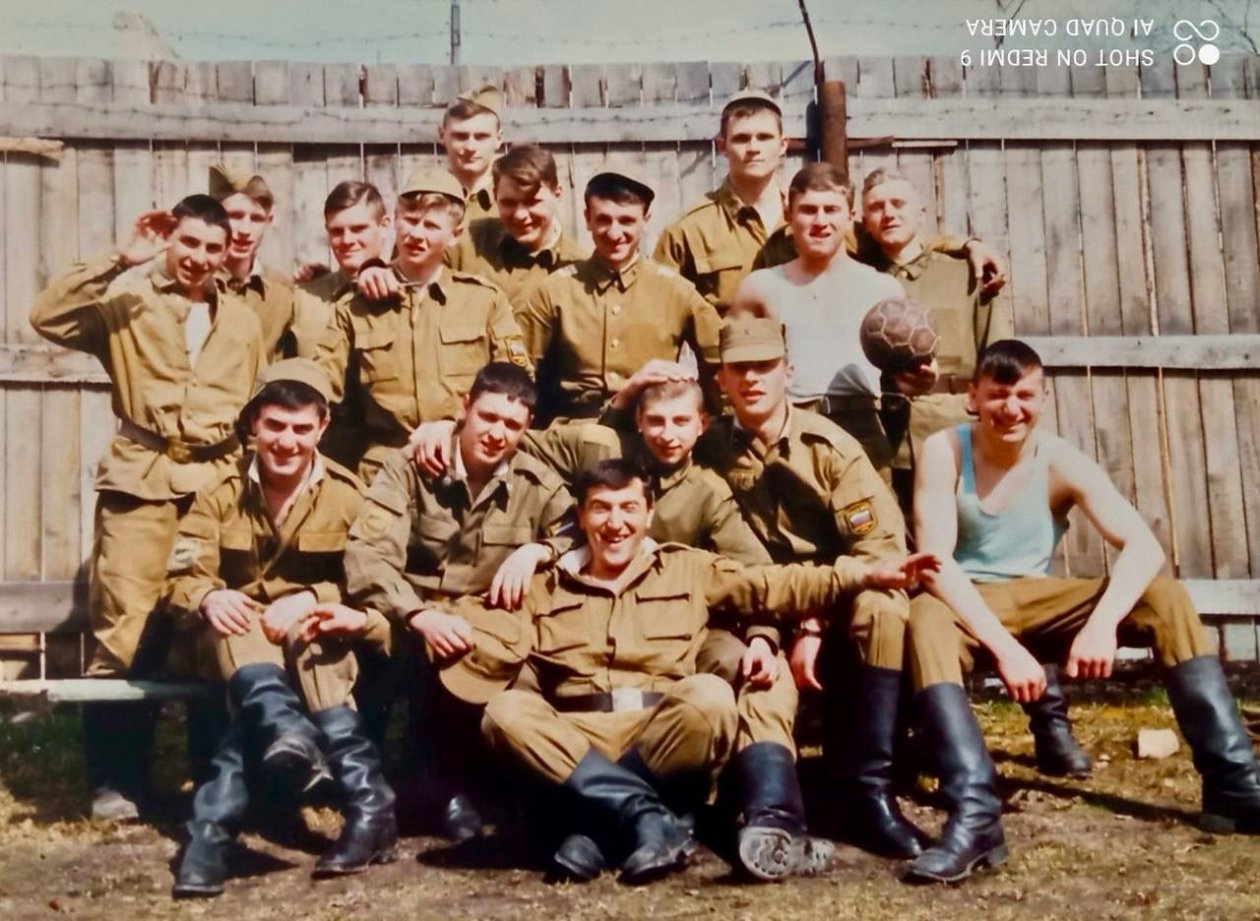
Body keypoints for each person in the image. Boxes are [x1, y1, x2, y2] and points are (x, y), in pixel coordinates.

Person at [410, 367, 822, 879]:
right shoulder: (601, 454)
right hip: (586, 690)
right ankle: (649, 816)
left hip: (681, 632)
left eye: (681, 422)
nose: (667, 434)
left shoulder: (707, 492)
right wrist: (445, 430)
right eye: (655, 422)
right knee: (509, 710)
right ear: (637, 423)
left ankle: (763, 820)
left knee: (740, 678)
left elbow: (761, 579)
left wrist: (767, 632)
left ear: (701, 425)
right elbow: (512, 437)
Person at [477, 458, 933, 884]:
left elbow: (772, 584)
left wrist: (864, 575)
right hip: (577, 741)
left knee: (710, 696)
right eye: (601, 509)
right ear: (580, 517)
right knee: (505, 711)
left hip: (662, 734)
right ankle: (645, 816)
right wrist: (440, 620)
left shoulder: (687, 568)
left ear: (649, 513)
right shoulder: (544, 585)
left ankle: (592, 824)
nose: (615, 523)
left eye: (628, 508)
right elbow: (480, 621)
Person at [906, 339, 1260, 883]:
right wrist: (1007, 651)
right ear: (973, 396)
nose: (1011, 409)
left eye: (1025, 396)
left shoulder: (1059, 459)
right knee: (925, 616)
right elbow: (936, 565)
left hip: (1040, 599)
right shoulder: (944, 450)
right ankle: (975, 814)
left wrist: (1100, 626)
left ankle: (1234, 783)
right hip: (967, 602)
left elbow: (1144, 546)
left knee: (1164, 596)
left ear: (1043, 399)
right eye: (998, 395)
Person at [30, 195, 265, 821]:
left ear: (227, 253)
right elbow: (46, 316)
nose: (199, 258)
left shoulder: (242, 322)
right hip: (142, 483)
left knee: (213, 622)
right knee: (124, 629)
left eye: (213, 248)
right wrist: (120, 258)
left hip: (215, 486)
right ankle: (116, 780)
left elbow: (254, 403)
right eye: (188, 243)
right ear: (170, 241)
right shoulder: (128, 303)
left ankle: (213, 776)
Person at [686, 316, 927, 860]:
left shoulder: (830, 448)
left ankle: (871, 793)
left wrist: (814, 622)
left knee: (882, 607)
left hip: (834, 600)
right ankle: (766, 807)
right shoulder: (707, 448)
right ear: (720, 380)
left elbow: (880, 551)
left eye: (764, 366)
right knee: (758, 675)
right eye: (739, 369)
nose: (752, 379)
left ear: (787, 372)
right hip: (756, 610)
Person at [167, 359, 396, 897]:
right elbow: (181, 574)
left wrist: (314, 598)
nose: (286, 442)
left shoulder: (348, 495)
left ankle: (209, 835)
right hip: (236, 638)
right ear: (253, 423)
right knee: (237, 627)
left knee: (313, 637)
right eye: (274, 426)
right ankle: (302, 747)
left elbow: (371, 581)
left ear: (322, 427)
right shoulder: (219, 490)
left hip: (311, 643)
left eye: (300, 428)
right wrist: (208, 595)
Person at [343, 362, 575, 841]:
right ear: (463, 409)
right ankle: (382, 786)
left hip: (481, 624)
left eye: (511, 424)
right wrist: (418, 614)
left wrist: (539, 550)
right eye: (487, 417)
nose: (497, 433)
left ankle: (460, 786)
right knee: (376, 638)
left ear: (527, 427)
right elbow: (368, 555)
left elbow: (581, 531)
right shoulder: (410, 468)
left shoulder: (535, 483)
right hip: (409, 612)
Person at [655, 91, 1007, 319]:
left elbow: (900, 244)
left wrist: (966, 245)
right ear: (722, 146)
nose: (753, 148)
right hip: (736, 389)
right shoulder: (690, 230)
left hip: (826, 381)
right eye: (742, 138)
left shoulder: (822, 217)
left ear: (783, 144)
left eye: (764, 137)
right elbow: (659, 309)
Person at [315, 167, 531, 482]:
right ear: (395, 219)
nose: (416, 235)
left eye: (431, 225)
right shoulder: (355, 306)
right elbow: (322, 384)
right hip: (382, 469)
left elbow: (517, 383)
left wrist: (454, 422)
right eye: (410, 220)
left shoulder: (484, 301)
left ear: (455, 234)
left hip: (463, 461)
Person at [513, 162, 723, 425]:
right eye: (603, 219)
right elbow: (516, 374)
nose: (614, 233)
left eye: (627, 221)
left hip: (650, 432)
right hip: (571, 431)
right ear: (587, 218)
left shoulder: (676, 292)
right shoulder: (554, 291)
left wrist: (715, 429)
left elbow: (723, 366)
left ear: (646, 219)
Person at [732, 163, 904, 476]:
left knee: (873, 509)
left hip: (863, 426)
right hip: (790, 427)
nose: (820, 222)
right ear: (789, 214)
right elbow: (732, 371)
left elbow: (905, 376)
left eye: (832, 210)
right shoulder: (761, 287)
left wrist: (922, 376)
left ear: (850, 216)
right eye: (808, 210)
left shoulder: (883, 288)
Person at [446, 144, 587, 299]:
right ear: (495, 196)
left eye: (532, 202)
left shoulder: (578, 270)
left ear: (557, 194)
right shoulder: (465, 241)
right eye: (509, 203)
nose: (520, 215)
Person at [208, 163, 297, 360]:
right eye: (235, 216)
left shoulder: (283, 291)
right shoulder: (193, 282)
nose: (245, 230)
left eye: (256, 219)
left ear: (268, 221)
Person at [440, 83, 504, 223]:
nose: (470, 147)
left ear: (499, 139)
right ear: (441, 135)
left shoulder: (518, 202)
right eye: (460, 136)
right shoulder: (426, 198)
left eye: (481, 137)